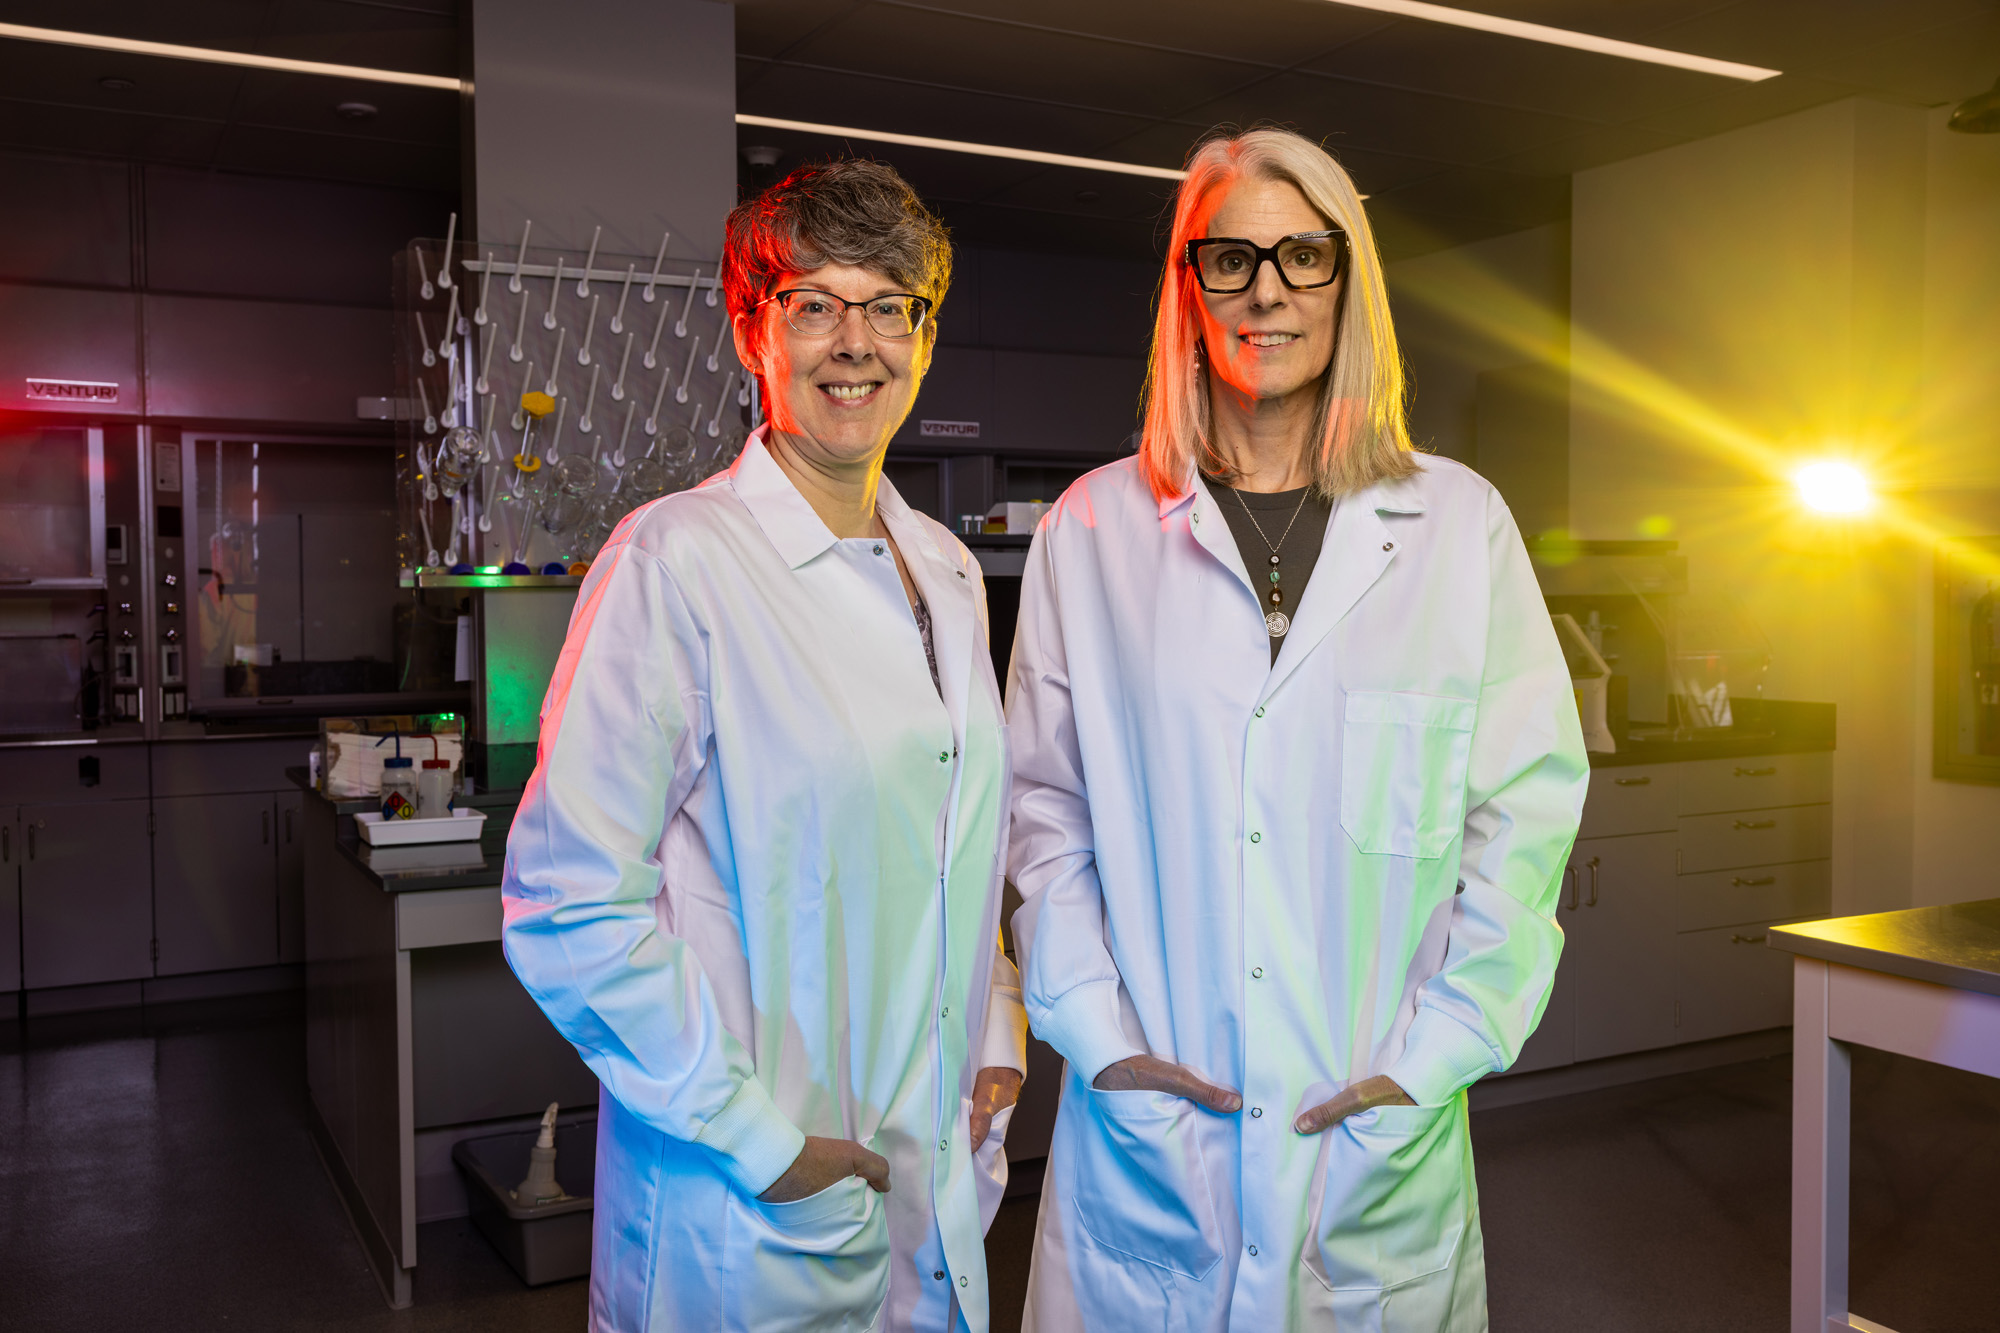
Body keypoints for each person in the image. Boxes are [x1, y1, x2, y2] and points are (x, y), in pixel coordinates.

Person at [1006, 127, 1588, 1330]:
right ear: (1188, 287)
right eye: (1229, 258)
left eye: (1301, 256)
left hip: (1371, 1132)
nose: (1265, 290)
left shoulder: (1456, 525)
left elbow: (1522, 818)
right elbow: (1041, 813)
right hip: (1158, 1131)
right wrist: (1097, 1035)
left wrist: (1437, 1054)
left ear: (1344, 282)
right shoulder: (1090, 531)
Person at [502, 159, 1026, 1333]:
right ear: (753, 330)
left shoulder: (946, 569)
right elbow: (566, 903)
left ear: (923, 338)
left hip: (929, 1156)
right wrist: (759, 1139)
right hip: (752, 1200)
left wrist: (994, 1020)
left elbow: (956, 836)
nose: (856, 342)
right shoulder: (675, 560)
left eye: (888, 307)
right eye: (814, 303)